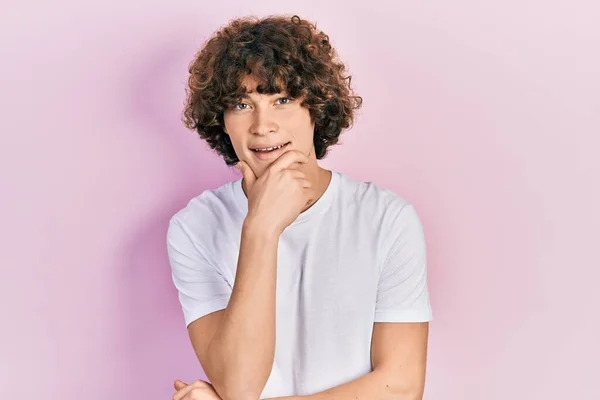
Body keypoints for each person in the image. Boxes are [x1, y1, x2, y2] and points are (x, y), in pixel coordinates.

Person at [167, 14, 433, 400]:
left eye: (283, 99)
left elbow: (401, 388)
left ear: (316, 109)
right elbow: (239, 387)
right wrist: (261, 227)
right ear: (221, 120)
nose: (262, 125)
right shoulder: (194, 227)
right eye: (242, 104)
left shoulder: (387, 219)